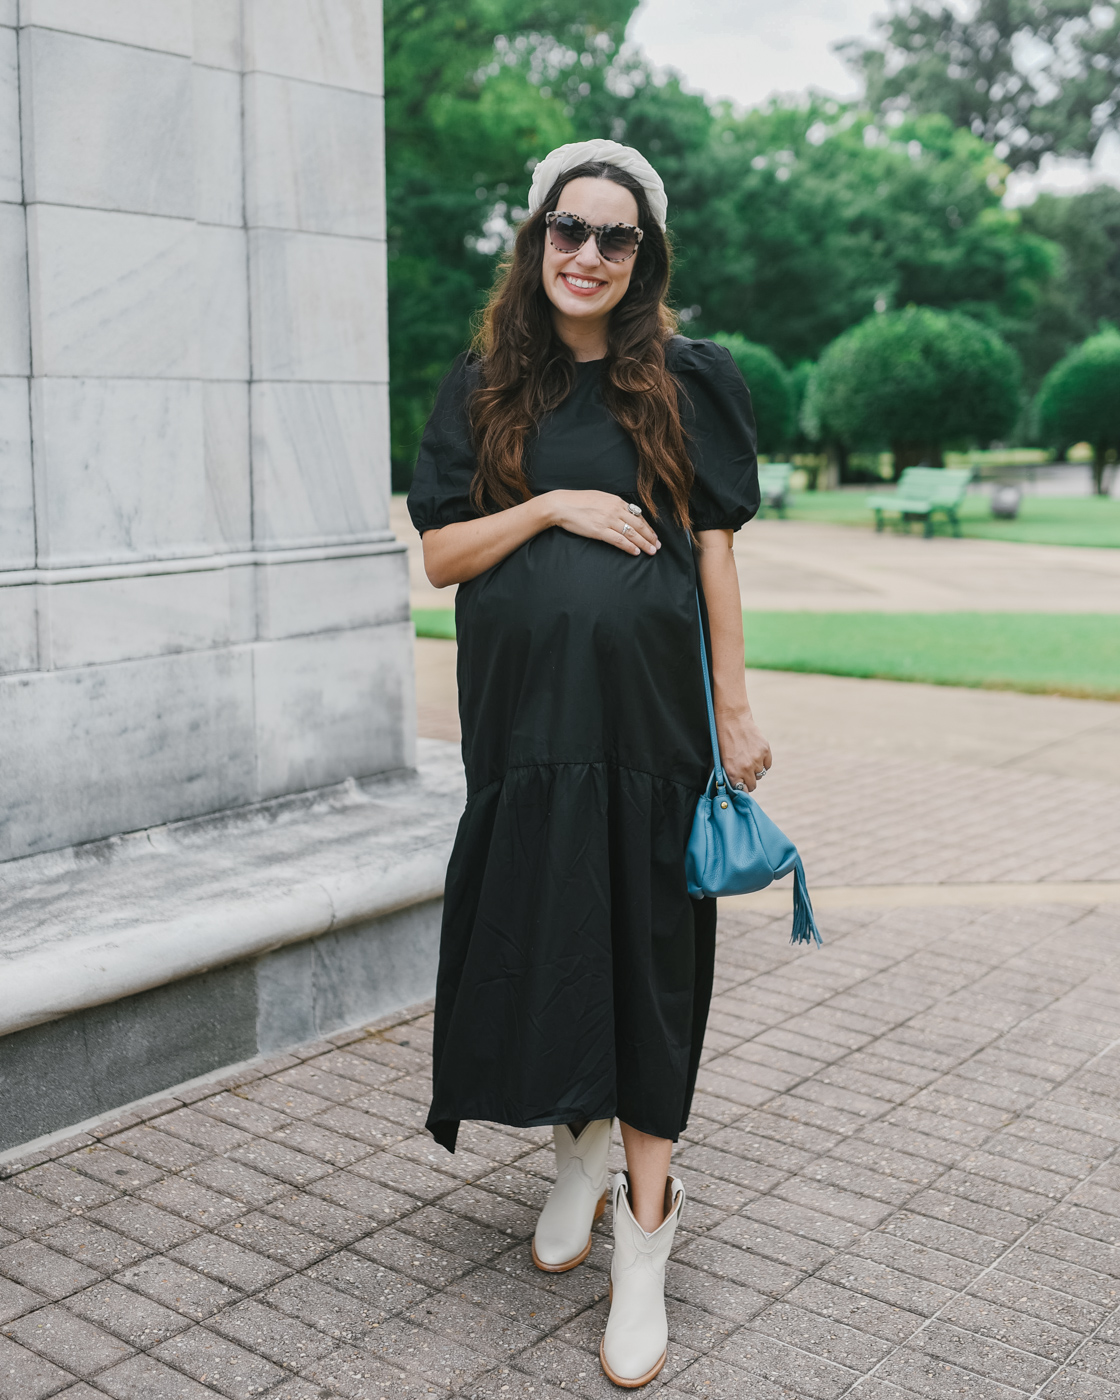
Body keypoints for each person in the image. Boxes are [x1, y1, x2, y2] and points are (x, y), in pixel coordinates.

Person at [407, 138, 769, 1388]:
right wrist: (552, 507)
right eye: (570, 228)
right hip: (521, 733)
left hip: (651, 737)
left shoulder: (687, 380)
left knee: (650, 961)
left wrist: (732, 705)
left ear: (644, 255)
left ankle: (646, 1242)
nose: (588, 254)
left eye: (616, 237)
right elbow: (445, 557)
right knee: (557, 935)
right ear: (537, 236)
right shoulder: (485, 386)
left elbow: (713, 548)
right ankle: (573, 1149)